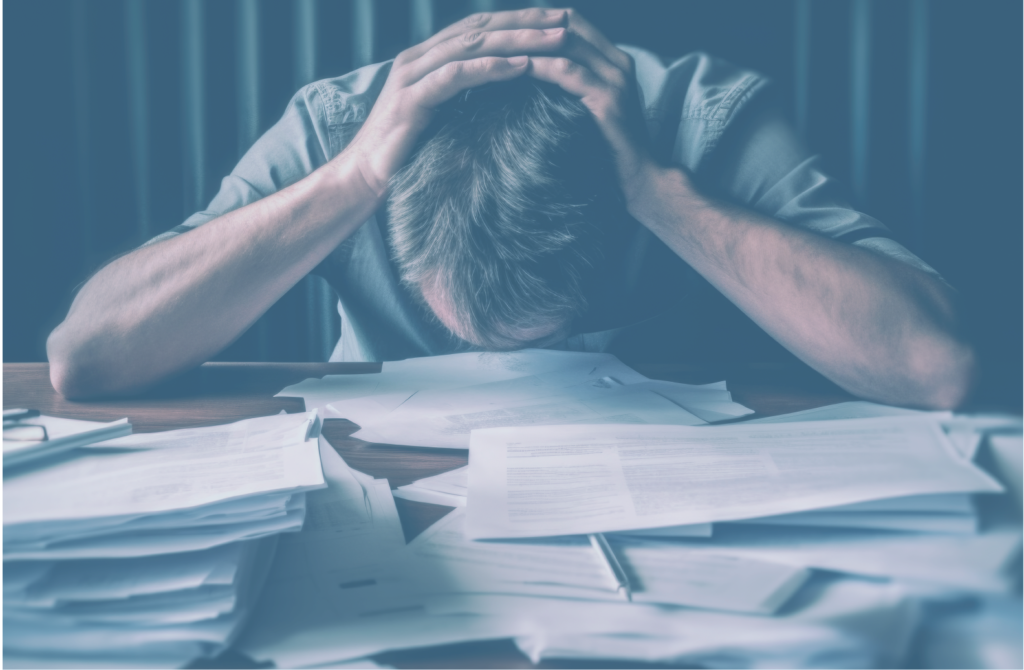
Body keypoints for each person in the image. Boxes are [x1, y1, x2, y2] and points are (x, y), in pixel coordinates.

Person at [46, 8, 975, 409]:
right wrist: (351, 179)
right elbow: (87, 357)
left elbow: (934, 367)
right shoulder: (337, 129)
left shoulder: (702, 119)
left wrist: (664, 195)